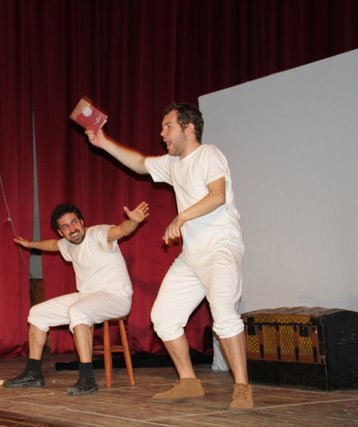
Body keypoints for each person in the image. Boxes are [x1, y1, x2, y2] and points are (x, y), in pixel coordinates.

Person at [85, 103, 253, 411]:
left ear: (189, 128)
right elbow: (140, 163)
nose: (162, 134)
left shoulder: (209, 154)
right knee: (163, 317)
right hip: (192, 255)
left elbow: (217, 195)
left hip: (221, 248)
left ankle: (242, 388)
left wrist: (182, 217)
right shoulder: (174, 164)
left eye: (168, 127)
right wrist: (104, 142)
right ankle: (189, 381)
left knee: (225, 316)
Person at [3, 202, 149, 396]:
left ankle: (87, 378)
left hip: (116, 297)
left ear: (82, 221)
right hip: (87, 296)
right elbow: (52, 245)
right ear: (60, 232)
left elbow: (121, 230)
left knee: (77, 311)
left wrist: (134, 222)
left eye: (74, 222)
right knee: (37, 313)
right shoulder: (67, 244)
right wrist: (30, 244)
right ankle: (33, 373)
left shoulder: (98, 234)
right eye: (65, 227)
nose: (72, 229)